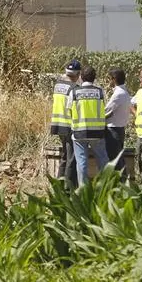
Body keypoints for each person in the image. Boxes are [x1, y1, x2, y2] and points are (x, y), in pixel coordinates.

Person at [66, 66, 109, 187]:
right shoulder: (100, 92)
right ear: (94, 78)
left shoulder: (74, 92)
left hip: (79, 133)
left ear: (81, 77)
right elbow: (103, 108)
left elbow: (69, 111)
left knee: (82, 163)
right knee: (103, 161)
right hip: (98, 133)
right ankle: (106, 188)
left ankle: (83, 191)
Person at [49, 59, 80, 189]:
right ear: (78, 74)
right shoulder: (75, 88)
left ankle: (59, 184)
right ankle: (68, 188)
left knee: (65, 156)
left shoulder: (57, 86)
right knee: (71, 158)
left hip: (58, 125)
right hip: (69, 126)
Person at [104, 67, 131, 178]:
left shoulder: (118, 94)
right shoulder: (124, 92)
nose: (108, 82)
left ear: (114, 79)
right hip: (119, 130)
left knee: (115, 161)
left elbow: (106, 111)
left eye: (109, 79)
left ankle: (120, 185)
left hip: (113, 131)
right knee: (118, 159)